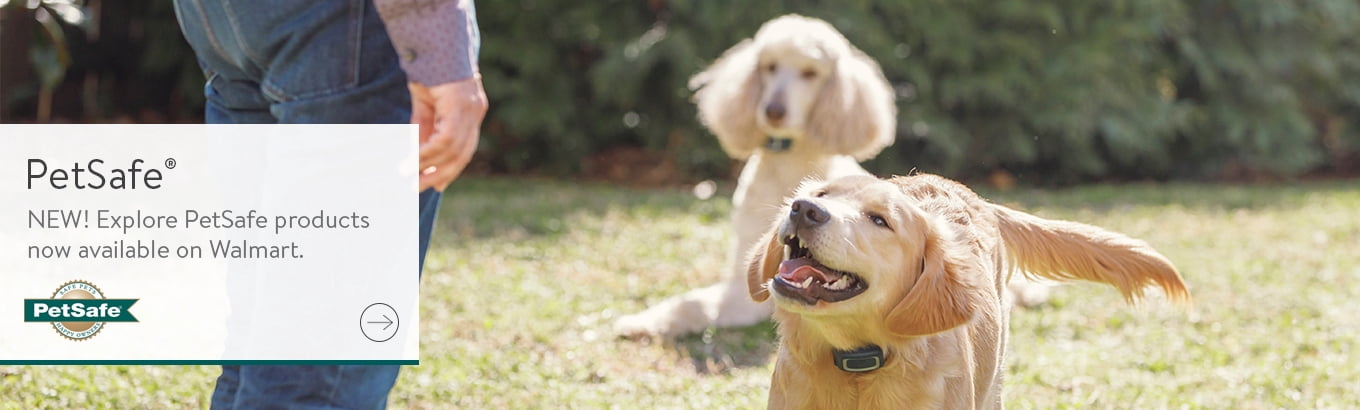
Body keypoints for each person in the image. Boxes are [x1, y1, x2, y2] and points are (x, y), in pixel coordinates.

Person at [170, 0, 487, 408]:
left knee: (265, 338)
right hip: (344, 27)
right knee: (317, 371)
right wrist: (436, 43)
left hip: (227, 20)